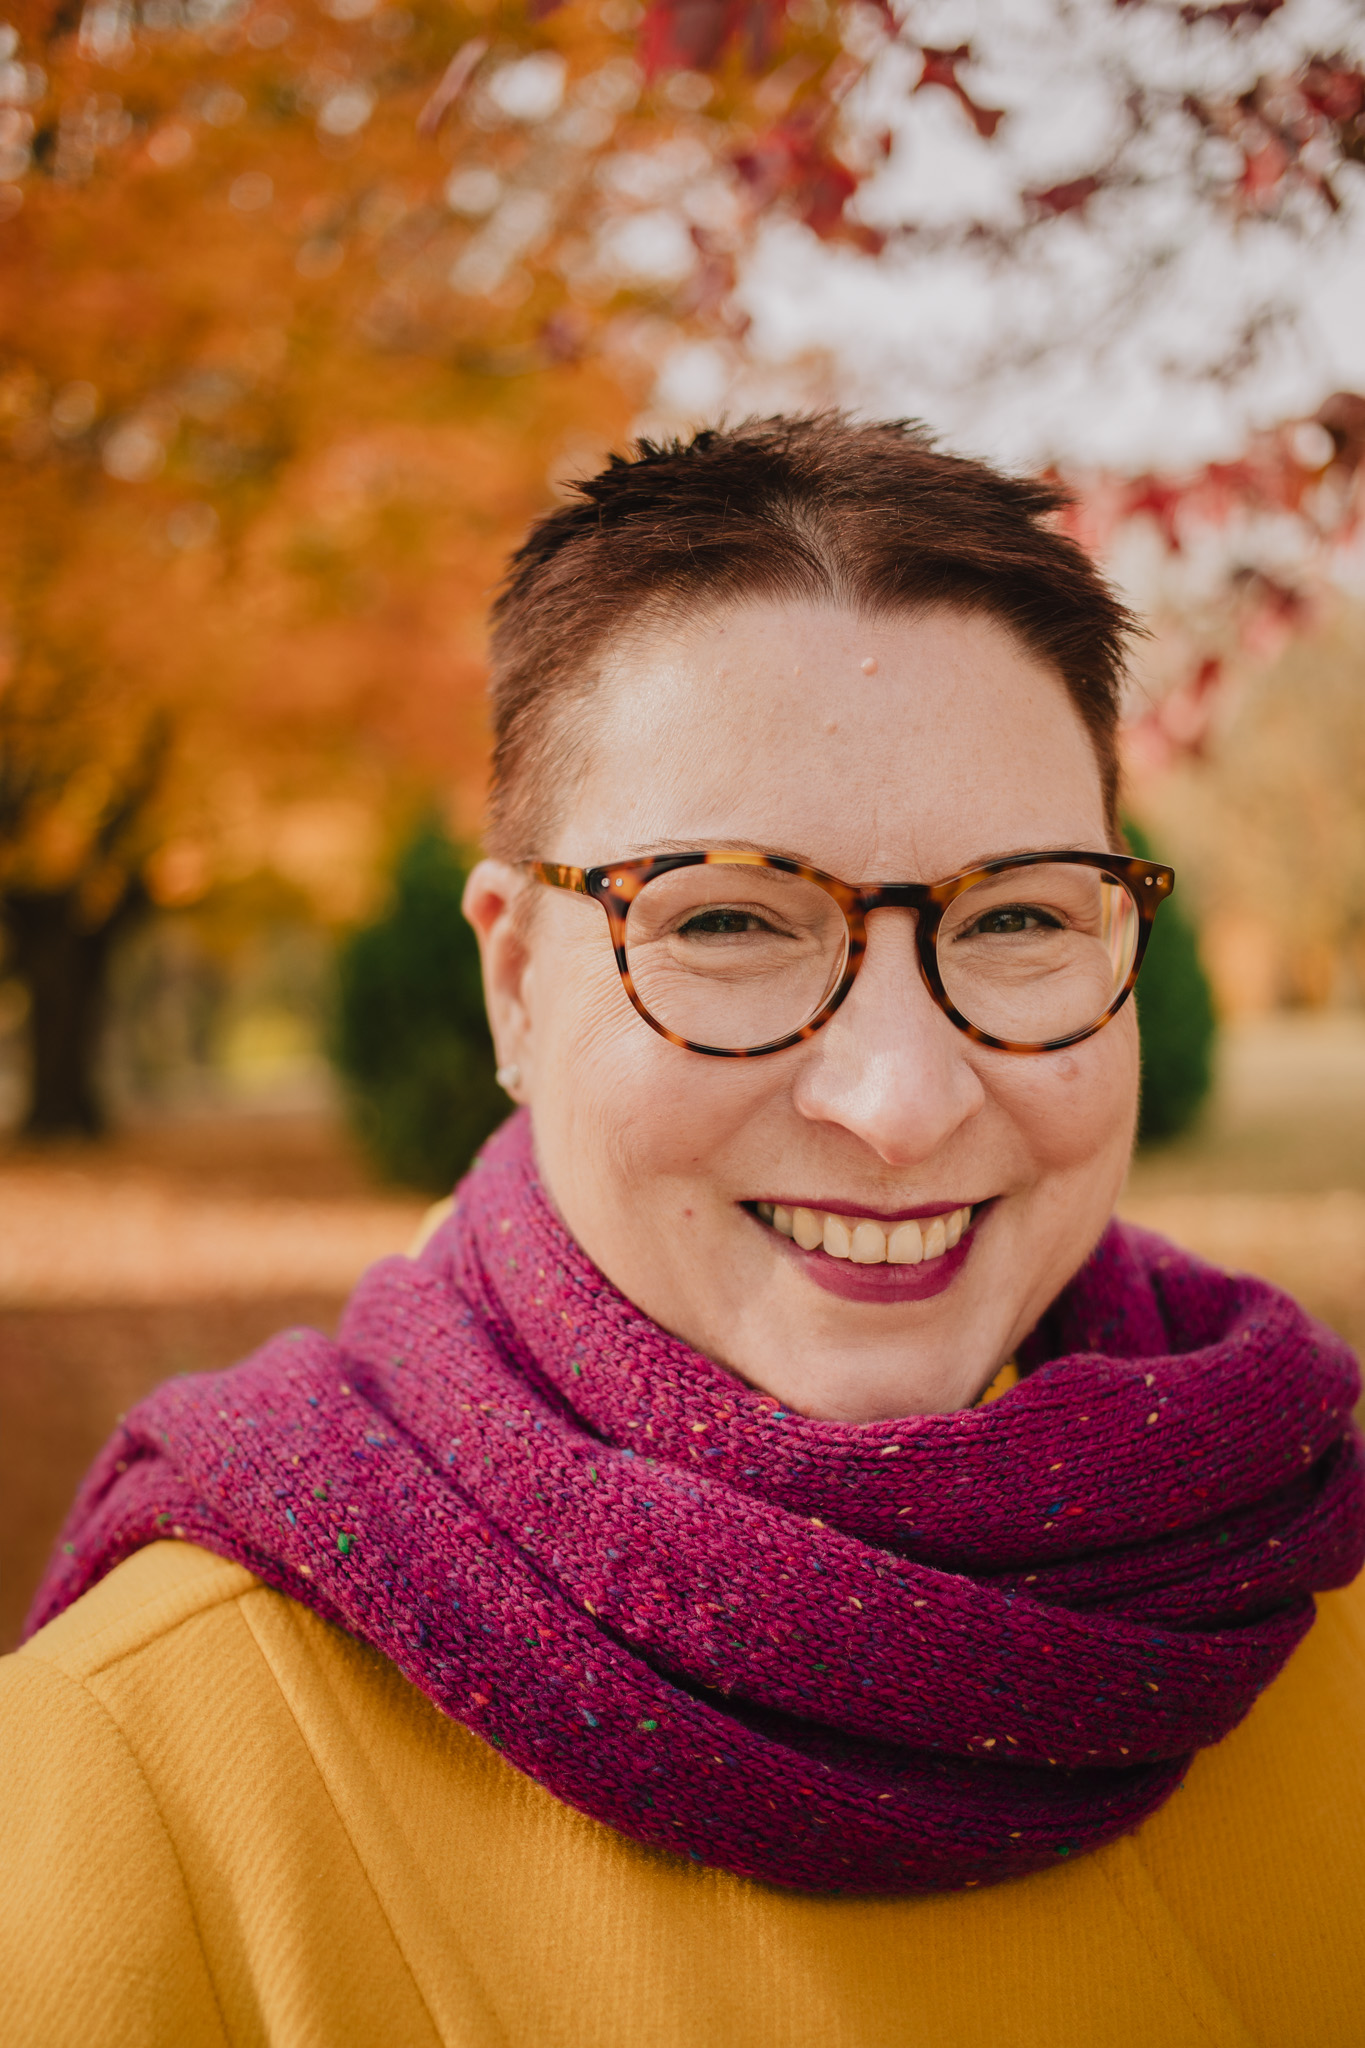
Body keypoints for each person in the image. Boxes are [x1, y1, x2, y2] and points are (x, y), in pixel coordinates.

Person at [2, 416, 1362, 2048]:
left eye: (1014, 917)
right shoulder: (137, 1781)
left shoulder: (1304, 1590)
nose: (900, 1102)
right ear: (514, 982)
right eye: (727, 920)